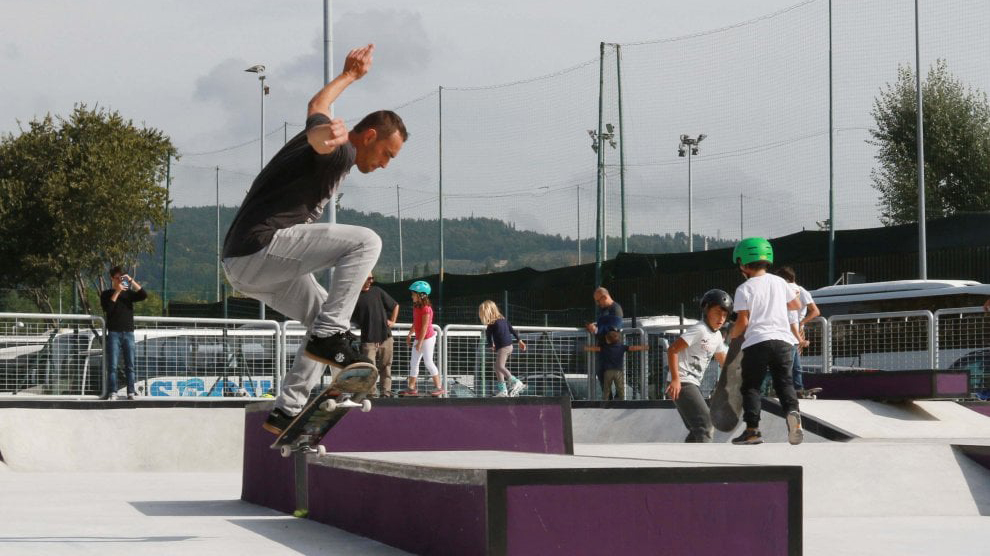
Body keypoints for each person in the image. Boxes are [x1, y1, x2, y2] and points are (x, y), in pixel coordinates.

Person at [221, 44, 409, 435]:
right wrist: (326, 135)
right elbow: (320, 138)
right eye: (386, 154)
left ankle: (287, 409)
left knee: (322, 315)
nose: (384, 164)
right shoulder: (339, 154)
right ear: (369, 136)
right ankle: (330, 337)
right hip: (260, 247)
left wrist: (350, 76)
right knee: (366, 242)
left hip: (246, 265)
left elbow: (317, 105)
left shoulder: (339, 150)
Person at [728, 237, 804, 446]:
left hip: (757, 342)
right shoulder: (780, 282)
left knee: (752, 386)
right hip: (783, 342)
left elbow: (743, 321)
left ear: (742, 263)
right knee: (784, 382)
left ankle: (752, 431)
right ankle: (793, 415)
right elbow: (796, 305)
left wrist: (732, 335)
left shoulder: (744, 288)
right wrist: (775, 304)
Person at [666, 289, 731, 442]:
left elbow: (723, 360)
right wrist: (675, 379)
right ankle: (703, 458)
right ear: (707, 310)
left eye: (724, 315)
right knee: (706, 425)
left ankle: (686, 456)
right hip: (683, 382)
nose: (721, 318)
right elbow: (672, 350)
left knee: (697, 429)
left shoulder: (717, 336)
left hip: (692, 383)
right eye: (717, 313)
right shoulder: (700, 329)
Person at [99, 266, 147, 400]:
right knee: (113, 365)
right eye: (117, 278)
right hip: (114, 333)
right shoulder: (106, 294)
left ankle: (131, 392)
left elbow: (143, 295)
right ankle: (113, 392)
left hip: (128, 333)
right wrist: (117, 291)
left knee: (130, 365)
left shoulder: (128, 294)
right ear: (112, 278)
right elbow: (108, 309)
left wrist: (131, 280)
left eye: (122, 278)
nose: (120, 281)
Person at [351, 273, 399, 397]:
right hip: (368, 339)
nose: (371, 281)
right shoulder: (354, 296)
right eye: (368, 278)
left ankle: (386, 392)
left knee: (386, 366)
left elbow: (395, 305)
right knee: (369, 368)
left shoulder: (377, 291)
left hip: (385, 337)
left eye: (372, 278)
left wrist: (393, 321)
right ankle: (371, 395)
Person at [776, 267, 820, 397]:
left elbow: (815, 311)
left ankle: (796, 388)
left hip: (794, 329)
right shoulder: (794, 290)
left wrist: (802, 322)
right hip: (791, 330)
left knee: (793, 363)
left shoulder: (796, 290)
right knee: (791, 363)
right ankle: (793, 388)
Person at [583, 323, 647, 400]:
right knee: (620, 387)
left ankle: (606, 400)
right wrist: (643, 347)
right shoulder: (621, 347)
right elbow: (632, 348)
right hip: (618, 371)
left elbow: (596, 349)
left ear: (608, 340)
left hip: (608, 371)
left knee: (606, 387)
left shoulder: (605, 347)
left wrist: (587, 348)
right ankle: (621, 400)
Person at [403, 281, 444, 396]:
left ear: (421, 295)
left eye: (413, 294)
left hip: (428, 338)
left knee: (428, 362)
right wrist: (410, 334)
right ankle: (411, 388)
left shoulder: (426, 309)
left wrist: (420, 342)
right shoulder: (416, 307)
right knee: (414, 362)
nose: (412, 296)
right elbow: (416, 322)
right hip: (419, 338)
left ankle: (439, 387)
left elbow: (425, 327)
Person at [478, 300, 527, 397]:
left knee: (499, 366)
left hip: (503, 348)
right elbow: (512, 329)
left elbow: (488, 336)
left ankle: (516, 382)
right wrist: (519, 340)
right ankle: (503, 390)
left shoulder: (491, 324)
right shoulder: (503, 320)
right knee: (497, 367)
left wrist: (491, 345)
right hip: (509, 346)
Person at [585, 287, 624, 392]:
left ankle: (615, 398)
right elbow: (606, 325)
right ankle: (609, 398)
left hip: (611, 350)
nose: (597, 304)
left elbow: (614, 329)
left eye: (598, 301)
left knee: (611, 377)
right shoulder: (604, 310)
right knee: (602, 375)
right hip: (604, 348)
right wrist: (595, 326)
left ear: (605, 297)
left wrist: (596, 330)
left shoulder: (615, 309)